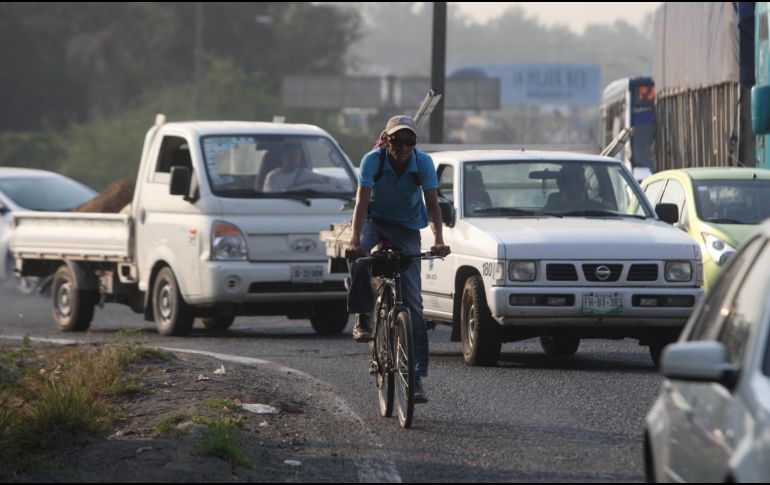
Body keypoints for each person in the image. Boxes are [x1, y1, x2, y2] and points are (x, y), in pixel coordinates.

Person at [345, 115, 451, 404]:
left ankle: (416, 378)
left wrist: (439, 239)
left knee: (414, 305)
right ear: (387, 140)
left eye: (409, 141)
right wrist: (355, 241)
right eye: (397, 141)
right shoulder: (373, 160)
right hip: (375, 221)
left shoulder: (424, 163)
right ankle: (363, 316)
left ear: (414, 144)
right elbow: (361, 202)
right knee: (360, 260)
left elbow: (432, 206)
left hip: (407, 228)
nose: (403, 147)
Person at [263, 141, 336, 192]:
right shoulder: (273, 177)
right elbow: (271, 200)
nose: (294, 159)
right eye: (290, 155)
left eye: (296, 155)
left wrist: (330, 181)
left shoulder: (306, 173)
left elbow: (327, 180)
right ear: (282, 157)